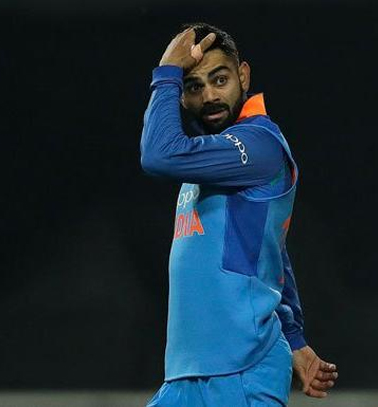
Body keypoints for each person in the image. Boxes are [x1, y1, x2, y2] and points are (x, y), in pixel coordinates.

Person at [140, 22, 338, 407]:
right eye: (193, 86)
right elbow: (270, 247)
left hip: (241, 372)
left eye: (220, 80)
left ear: (243, 76)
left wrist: (166, 74)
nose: (210, 96)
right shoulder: (209, 157)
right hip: (186, 374)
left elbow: (158, 155)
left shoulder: (259, 143)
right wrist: (294, 337)